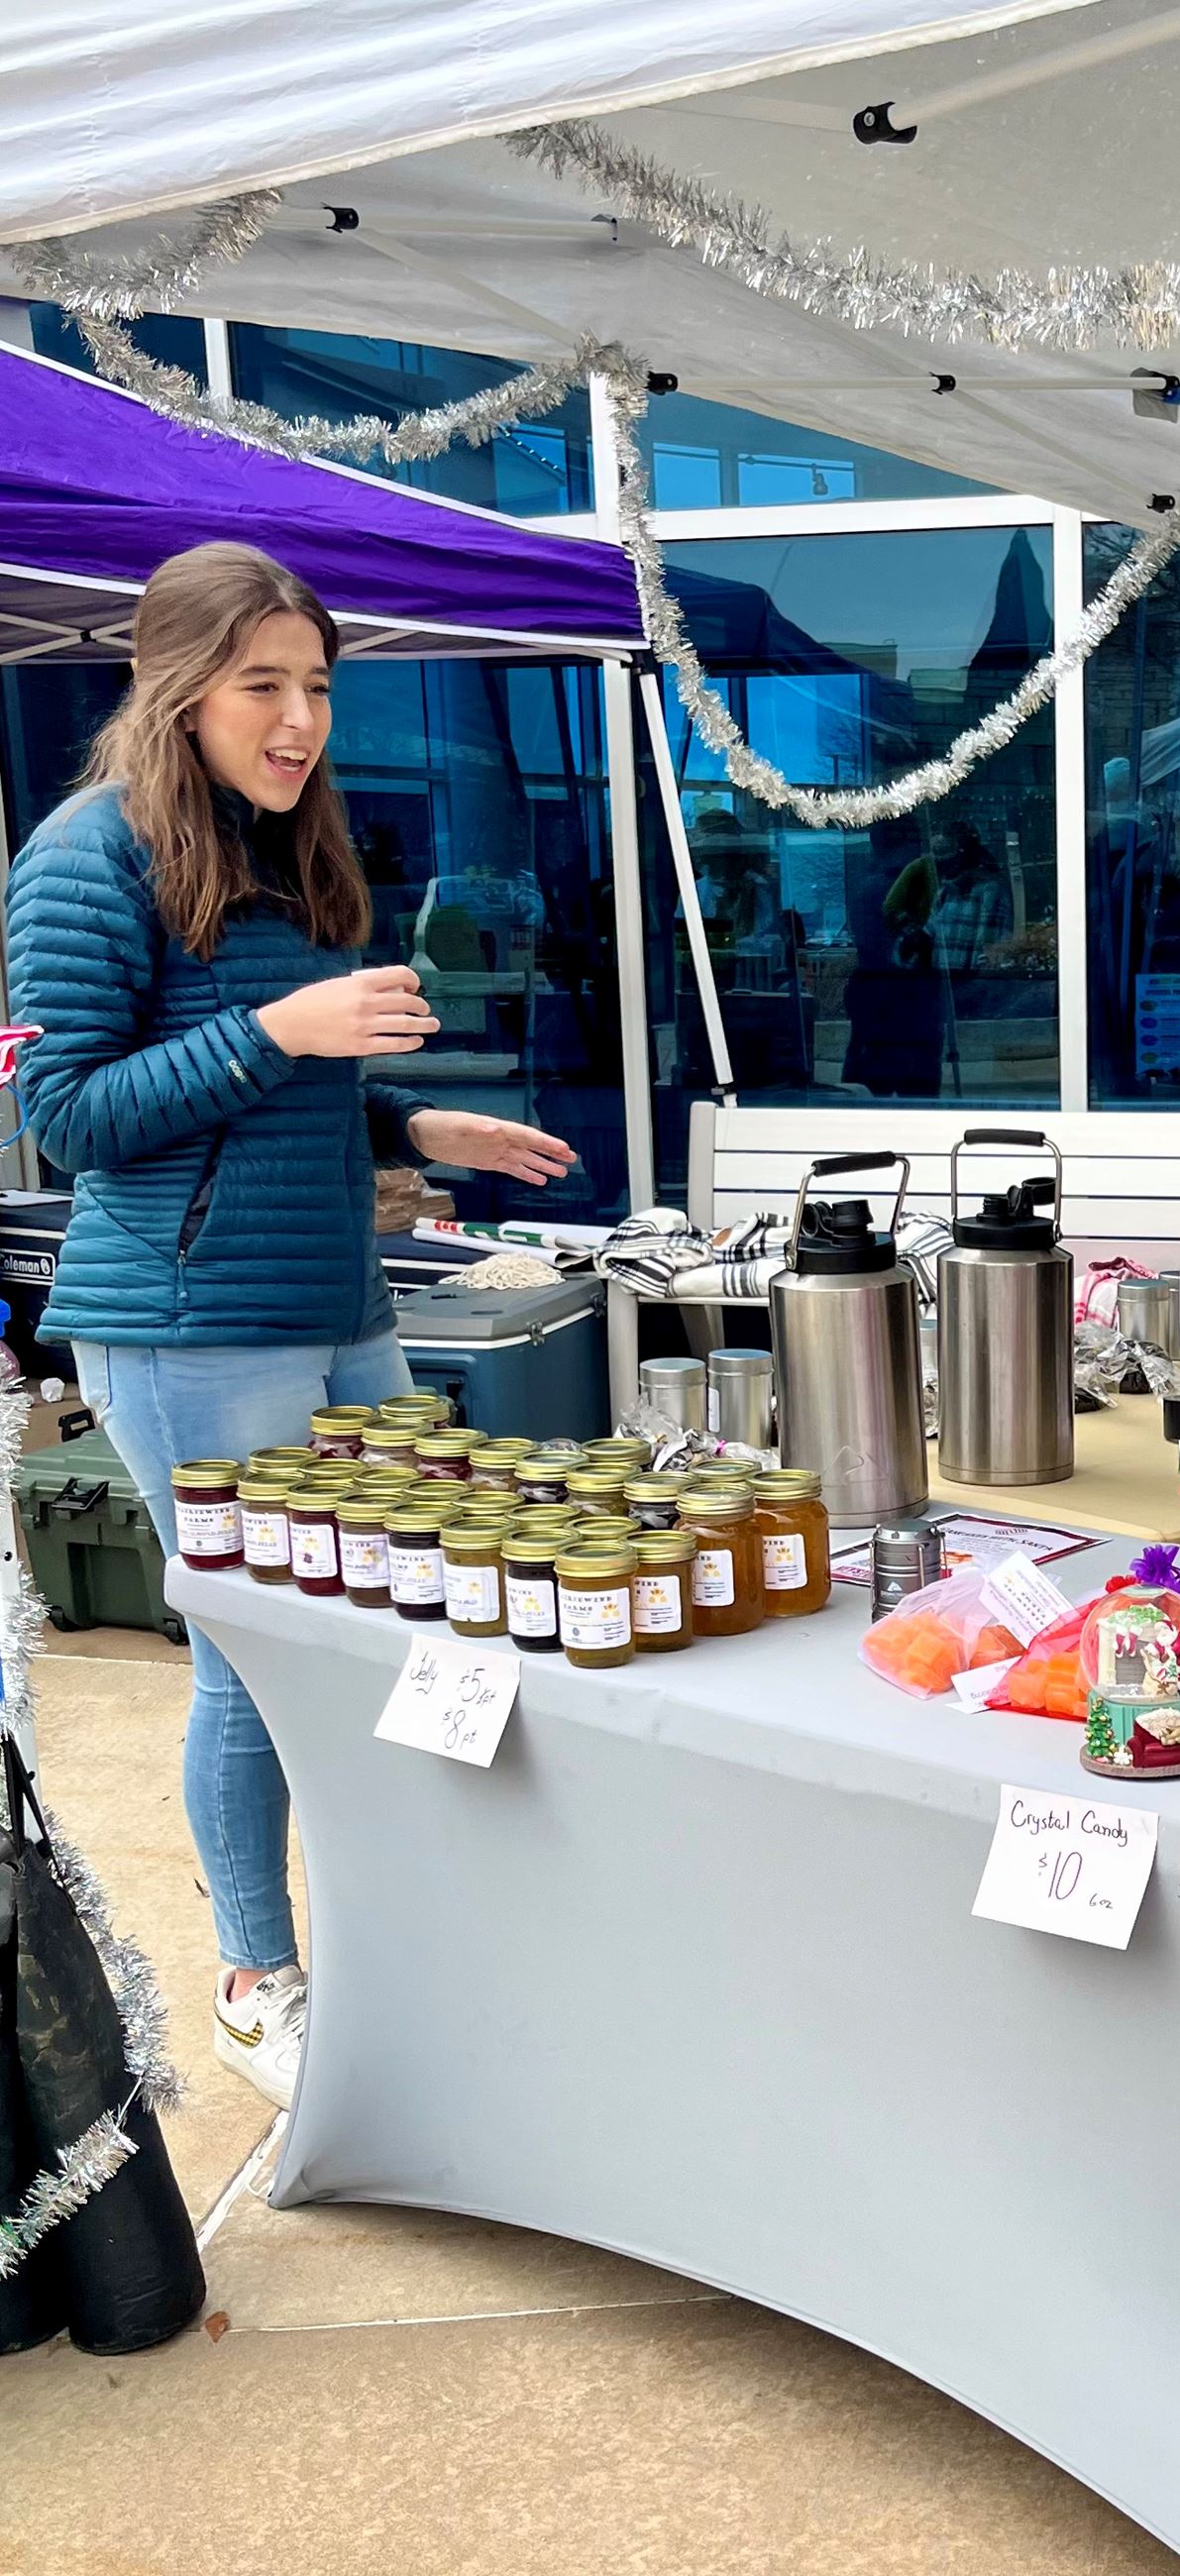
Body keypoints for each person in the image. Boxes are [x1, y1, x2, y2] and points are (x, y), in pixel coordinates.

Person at [5, 544, 579, 2109]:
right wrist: (276, 1032)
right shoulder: (83, 859)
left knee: (386, 1630)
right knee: (258, 1662)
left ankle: (393, 1940)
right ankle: (260, 1981)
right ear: (176, 685)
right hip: (187, 1329)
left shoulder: (296, 845)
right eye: (264, 684)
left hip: (338, 1304)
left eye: (317, 684)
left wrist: (417, 1130)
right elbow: (66, 1113)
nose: (300, 717)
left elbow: (295, 1091)